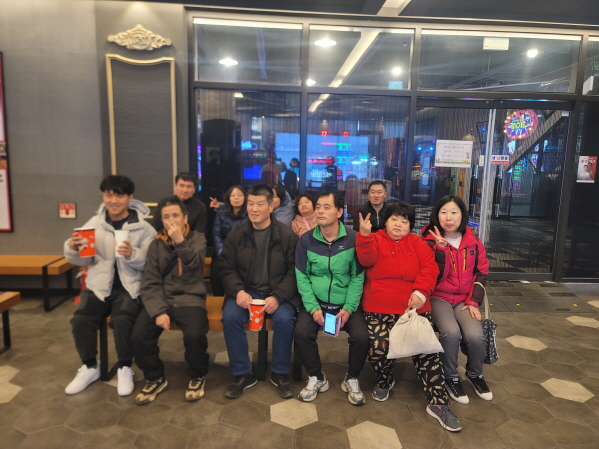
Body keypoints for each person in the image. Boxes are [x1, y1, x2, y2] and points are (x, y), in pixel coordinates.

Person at [356, 203, 462, 432]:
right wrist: (364, 235)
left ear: (410, 226)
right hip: (379, 308)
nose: (399, 225)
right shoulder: (374, 239)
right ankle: (385, 379)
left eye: (404, 221)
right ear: (385, 222)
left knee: (427, 353)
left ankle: (438, 403)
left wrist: (421, 293)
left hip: (414, 310)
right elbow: (365, 260)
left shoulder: (417, 243)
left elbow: (429, 269)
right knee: (379, 348)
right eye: (394, 219)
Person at [63, 175, 156, 396]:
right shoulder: (94, 224)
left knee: (122, 321)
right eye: (108, 195)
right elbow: (84, 260)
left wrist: (133, 254)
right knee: (80, 320)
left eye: (119, 195)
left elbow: (152, 262)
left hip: (129, 287)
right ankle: (90, 366)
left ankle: (125, 367)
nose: (113, 200)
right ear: (103, 196)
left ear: (130, 198)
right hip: (98, 286)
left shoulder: (144, 229)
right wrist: (73, 248)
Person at [219, 185, 300, 399]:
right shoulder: (237, 234)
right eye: (251, 204)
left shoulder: (286, 235)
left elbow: (294, 271)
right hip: (246, 291)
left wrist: (278, 296)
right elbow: (226, 267)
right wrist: (238, 291)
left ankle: (280, 372)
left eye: (260, 204)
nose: (254, 209)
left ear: (271, 206)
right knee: (230, 317)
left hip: (278, 293)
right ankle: (242, 373)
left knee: (285, 319)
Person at [132, 198, 209, 405]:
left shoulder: (198, 239)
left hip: (191, 297)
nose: (171, 220)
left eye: (175, 215)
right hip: (162, 298)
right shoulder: (156, 244)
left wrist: (180, 241)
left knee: (195, 335)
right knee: (139, 336)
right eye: (166, 217)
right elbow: (150, 281)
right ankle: (155, 377)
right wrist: (158, 311)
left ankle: (197, 375)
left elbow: (195, 263)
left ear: (185, 218)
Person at [294, 192, 368, 405]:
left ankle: (352, 378)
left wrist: (349, 308)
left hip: (345, 303)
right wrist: (313, 307)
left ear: (339, 212)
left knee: (362, 337)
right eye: (318, 207)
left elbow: (357, 276)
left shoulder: (353, 238)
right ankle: (317, 377)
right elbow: (302, 276)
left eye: (326, 207)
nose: (320, 211)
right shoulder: (306, 240)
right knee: (301, 333)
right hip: (316, 302)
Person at [422, 195, 493, 405]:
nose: (449, 217)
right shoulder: (427, 241)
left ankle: (475, 374)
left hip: (465, 299)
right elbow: (432, 276)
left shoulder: (473, 241)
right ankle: (451, 377)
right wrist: (441, 250)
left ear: (462, 215)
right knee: (451, 333)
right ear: (437, 215)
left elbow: (482, 272)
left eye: (454, 212)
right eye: (443, 212)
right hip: (439, 297)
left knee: (476, 336)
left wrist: (474, 301)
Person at [210, 185, 248, 296]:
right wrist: (222, 253)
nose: (236, 198)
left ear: (245, 198)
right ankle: (218, 298)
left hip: (242, 252)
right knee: (216, 272)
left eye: (240, 195)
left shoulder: (249, 214)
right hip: (223, 252)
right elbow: (216, 234)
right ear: (229, 198)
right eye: (233, 195)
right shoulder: (221, 212)